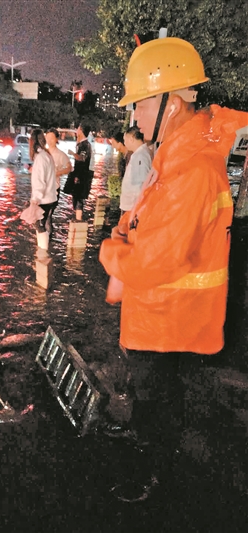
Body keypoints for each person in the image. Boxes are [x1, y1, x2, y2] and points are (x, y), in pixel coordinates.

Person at [99, 37, 247, 501]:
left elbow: (152, 262)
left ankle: (154, 472)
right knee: (149, 392)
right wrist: (125, 228)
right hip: (156, 312)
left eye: (140, 103)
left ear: (171, 102)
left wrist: (109, 250)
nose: (134, 116)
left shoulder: (193, 169)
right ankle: (146, 445)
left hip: (168, 318)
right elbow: (142, 217)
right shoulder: (175, 157)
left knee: (157, 398)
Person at [29, 129, 57, 254]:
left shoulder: (40, 158)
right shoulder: (47, 156)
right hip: (50, 197)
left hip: (43, 199)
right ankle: (42, 251)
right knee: (42, 224)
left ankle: (43, 254)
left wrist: (35, 199)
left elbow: (40, 182)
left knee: (39, 226)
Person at [119, 126, 152, 214]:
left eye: (125, 140)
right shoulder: (139, 154)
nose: (124, 143)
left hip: (132, 207)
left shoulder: (140, 156)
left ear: (132, 139)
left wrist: (136, 210)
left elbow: (142, 184)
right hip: (131, 206)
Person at [45, 128, 72, 234]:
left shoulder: (61, 155)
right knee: (41, 216)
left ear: (57, 139)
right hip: (42, 189)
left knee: (48, 216)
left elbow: (69, 168)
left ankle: (48, 241)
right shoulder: (43, 152)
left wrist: (58, 173)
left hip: (54, 189)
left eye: (52, 138)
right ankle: (43, 239)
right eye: (47, 137)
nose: (49, 140)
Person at [67, 123, 92, 220]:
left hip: (81, 174)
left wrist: (72, 153)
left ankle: (78, 219)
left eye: (78, 128)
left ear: (81, 130)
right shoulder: (81, 143)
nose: (76, 130)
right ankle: (77, 218)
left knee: (78, 197)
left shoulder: (85, 144)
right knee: (75, 196)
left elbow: (82, 158)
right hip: (78, 173)